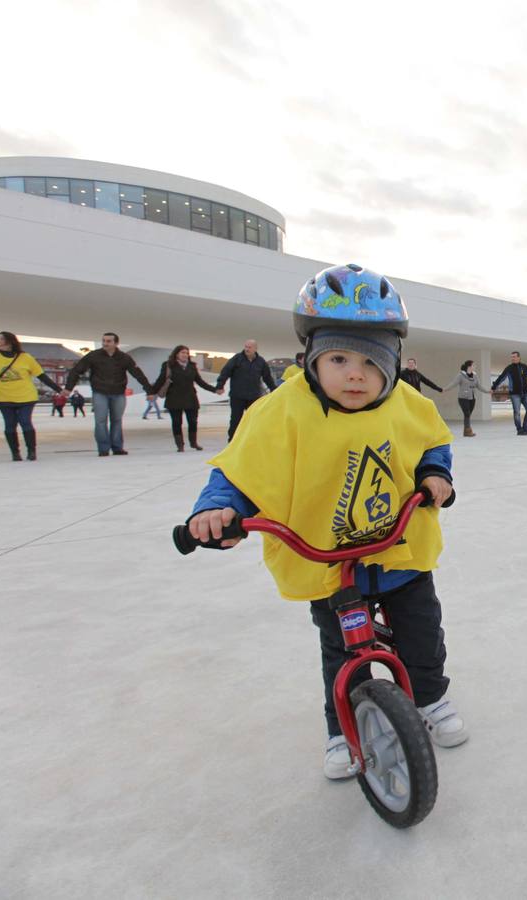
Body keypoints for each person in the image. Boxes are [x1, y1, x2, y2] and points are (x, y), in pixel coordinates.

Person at [185, 263, 466, 779]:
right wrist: (217, 509)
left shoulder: (410, 404)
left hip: (399, 549)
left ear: (395, 363)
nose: (354, 373)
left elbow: (433, 441)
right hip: (329, 562)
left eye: (369, 361)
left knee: (423, 634)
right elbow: (241, 470)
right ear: (310, 359)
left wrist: (434, 474)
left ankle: (430, 699)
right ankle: (341, 729)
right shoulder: (279, 411)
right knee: (339, 651)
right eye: (337, 358)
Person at [64, 331, 153, 456]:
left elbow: (137, 374)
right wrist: (68, 388)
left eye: (108, 341)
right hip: (100, 392)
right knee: (100, 420)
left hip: (118, 393)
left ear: (116, 343)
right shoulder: (93, 356)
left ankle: (117, 447)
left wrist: (149, 390)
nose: (105, 343)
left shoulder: (124, 358)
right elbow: (77, 371)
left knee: (116, 420)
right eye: (104, 341)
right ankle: (103, 448)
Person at [0, 331, 62, 461]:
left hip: (26, 396)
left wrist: (58, 389)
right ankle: (15, 452)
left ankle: (31, 451)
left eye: (1, 339)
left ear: (10, 341)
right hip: (3, 396)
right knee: (10, 424)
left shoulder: (26, 357)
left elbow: (41, 375)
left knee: (25, 422)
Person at [148, 344, 214, 451]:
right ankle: (180, 445)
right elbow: (160, 380)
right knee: (177, 422)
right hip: (174, 397)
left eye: (187, 353)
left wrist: (214, 389)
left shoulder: (192, 366)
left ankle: (193, 443)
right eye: (182, 352)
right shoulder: (168, 365)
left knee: (193, 421)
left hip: (190, 397)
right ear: (176, 354)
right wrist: (151, 393)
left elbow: (199, 381)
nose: (185, 355)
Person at [214, 339, 277, 441]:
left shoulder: (261, 362)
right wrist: (220, 385)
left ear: (255, 349)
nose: (247, 349)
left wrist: (274, 389)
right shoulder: (237, 359)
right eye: (246, 347)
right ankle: (232, 440)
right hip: (237, 395)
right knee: (235, 420)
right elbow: (225, 372)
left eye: (249, 347)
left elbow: (267, 377)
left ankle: (252, 439)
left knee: (254, 419)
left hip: (254, 396)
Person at [491, 351, 527, 435]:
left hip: (525, 393)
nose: (513, 358)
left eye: (514, 357)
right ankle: (519, 430)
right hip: (514, 394)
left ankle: (525, 428)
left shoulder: (524, 367)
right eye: (512, 357)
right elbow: (501, 378)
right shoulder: (509, 368)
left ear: (519, 358)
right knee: (517, 412)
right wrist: (493, 387)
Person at [446, 359, 490, 436]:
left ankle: (466, 431)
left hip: (472, 398)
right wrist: (445, 389)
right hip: (463, 398)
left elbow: (478, 386)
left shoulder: (475, 375)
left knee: (468, 415)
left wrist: (487, 391)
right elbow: (453, 383)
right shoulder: (460, 375)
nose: (475, 366)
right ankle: (468, 431)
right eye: (473, 365)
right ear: (469, 366)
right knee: (467, 414)